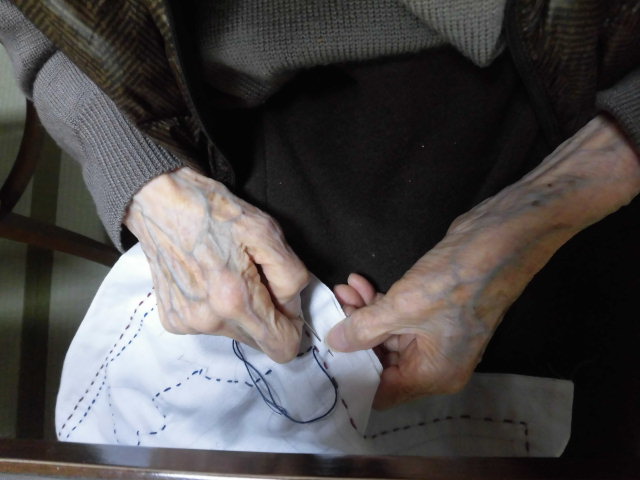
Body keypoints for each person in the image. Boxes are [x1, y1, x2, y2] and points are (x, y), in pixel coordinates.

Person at [2, 0, 639, 454]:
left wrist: (541, 212)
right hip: (203, 116)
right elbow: (38, 18)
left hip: (575, 92)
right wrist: (144, 177)